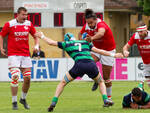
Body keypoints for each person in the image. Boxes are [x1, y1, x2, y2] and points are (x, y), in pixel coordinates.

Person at [36, 32, 123, 112]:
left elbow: (51, 42)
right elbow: (99, 51)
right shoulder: (85, 43)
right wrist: (114, 55)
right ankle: (105, 99)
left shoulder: (66, 44)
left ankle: (53, 102)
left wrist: (42, 36)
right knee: (100, 82)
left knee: (63, 82)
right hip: (91, 64)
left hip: (79, 65)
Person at [0, 7, 39, 110]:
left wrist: (36, 46)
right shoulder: (10, 24)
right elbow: (1, 35)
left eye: (26, 15)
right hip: (13, 55)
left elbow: (35, 36)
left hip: (25, 55)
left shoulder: (29, 24)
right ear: (17, 14)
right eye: (23, 15)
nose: (25, 17)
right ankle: (14, 102)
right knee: (16, 76)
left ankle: (23, 99)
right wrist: (1, 47)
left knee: (28, 79)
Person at [78, 9, 116, 102]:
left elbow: (101, 33)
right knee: (87, 62)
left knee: (106, 77)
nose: (90, 25)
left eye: (91, 23)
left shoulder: (101, 24)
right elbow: (80, 33)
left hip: (108, 50)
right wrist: (81, 42)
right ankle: (96, 79)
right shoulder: (87, 25)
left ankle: (109, 99)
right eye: (88, 23)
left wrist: (91, 38)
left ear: (95, 19)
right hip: (96, 49)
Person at [123, 21, 150, 88]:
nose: (139, 33)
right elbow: (125, 47)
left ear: (146, 29)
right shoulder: (136, 36)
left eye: (141, 31)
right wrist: (125, 51)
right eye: (138, 32)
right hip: (146, 63)